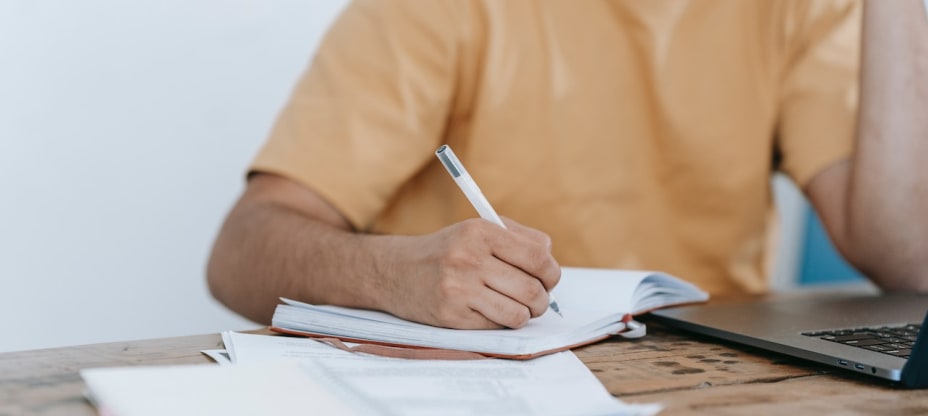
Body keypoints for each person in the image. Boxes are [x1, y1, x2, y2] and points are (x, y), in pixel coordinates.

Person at [207, 0, 928, 329]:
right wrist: (392, 275)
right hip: (473, 389)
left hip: (710, 385)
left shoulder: (802, 9)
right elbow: (242, 251)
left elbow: (910, 258)